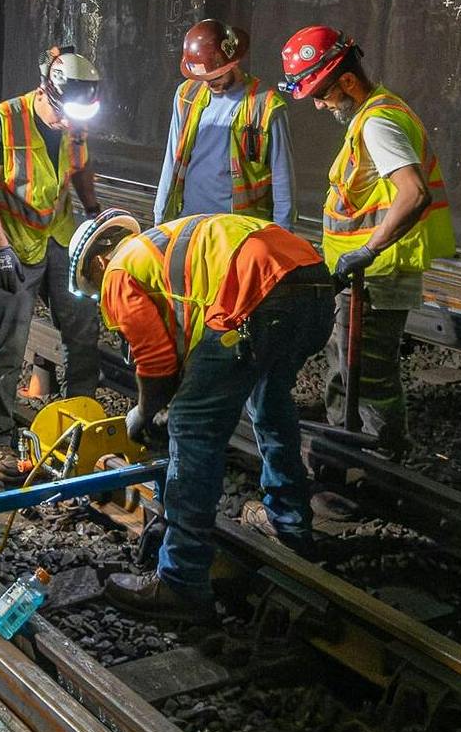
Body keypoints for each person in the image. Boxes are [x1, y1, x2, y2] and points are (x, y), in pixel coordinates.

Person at [68, 209, 334, 624]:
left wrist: (144, 412)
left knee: (191, 426)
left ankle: (182, 580)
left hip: (256, 295)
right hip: (313, 282)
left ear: (97, 262)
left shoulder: (119, 270)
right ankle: (289, 523)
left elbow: (156, 362)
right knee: (269, 399)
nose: (101, 296)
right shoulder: (164, 246)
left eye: (93, 288)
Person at [278, 26, 456, 457]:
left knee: (367, 374)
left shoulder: (378, 123)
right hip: (364, 275)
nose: (319, 104)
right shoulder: (376, 113)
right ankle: (356, 453)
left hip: (375, 274)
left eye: (321, 94)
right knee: (349, 368)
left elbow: (413, 193)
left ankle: (378, 459)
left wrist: (368, 249)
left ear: (347, 81)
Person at [0, 46, 105, 483]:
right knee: (10, 344)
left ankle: (78, 420)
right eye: (66, 116)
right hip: (16, 243)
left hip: (61, 237)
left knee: (83, 330)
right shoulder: (1, 121)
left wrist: (93, 207)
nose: (71, 126)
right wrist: (0, 247)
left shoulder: (76, 118)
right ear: (48, 93)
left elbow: (81, 165)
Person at [153, 20, 293, 228]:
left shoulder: (266, 105)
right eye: (203, 77)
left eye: (215, 75)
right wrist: (160, 218)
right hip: (190, 220)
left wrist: (283, 234)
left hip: (238, 228)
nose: (209, 83)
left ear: (233, 62)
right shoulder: (186, 94)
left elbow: (283, 178)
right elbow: (172, 158)